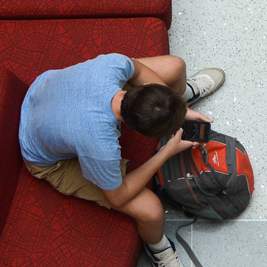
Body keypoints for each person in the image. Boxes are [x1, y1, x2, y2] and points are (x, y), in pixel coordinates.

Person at [19, 55, 226, 267]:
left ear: (144, 87)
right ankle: (158, 249)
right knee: (152, 212)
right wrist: (165, 152)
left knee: (175, 66)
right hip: (42, 156)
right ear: (134, 130)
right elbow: (117, 196)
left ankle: (179, 100)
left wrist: (181, 110)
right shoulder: (101, 145)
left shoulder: (113, 65)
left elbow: (137, 71)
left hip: (42, 90)